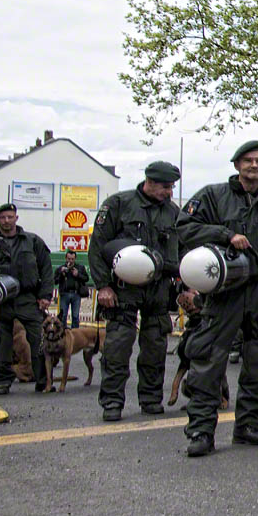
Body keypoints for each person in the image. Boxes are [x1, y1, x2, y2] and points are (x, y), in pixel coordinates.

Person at [176, 140, 258, 457]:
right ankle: (201, 431)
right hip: (225, 290)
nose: (254, 165)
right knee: (208, 360)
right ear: (237, 165)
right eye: (248, 160)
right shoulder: (213, 196)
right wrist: (224, 235)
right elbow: (185, 226)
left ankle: (247, 424)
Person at [88, 161, 183, 421]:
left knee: (155, 347)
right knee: (117, 348)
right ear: (149, 182)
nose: (169, 192)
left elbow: (181, 251)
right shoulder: (119, 204)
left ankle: (151, 400)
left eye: (171, 187)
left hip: (158, 289)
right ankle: (112, 403)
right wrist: (103, 286)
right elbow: (97, 248)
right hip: (123, 290)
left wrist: (184, 286)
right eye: (165, 187)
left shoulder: (173, 213)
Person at [0, 204, 52, 394]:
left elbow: (46, 268)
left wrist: (45, 295)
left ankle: (43, 380)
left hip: (27, 298)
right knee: (1, 342)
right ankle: (2, 381)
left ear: (16, 218)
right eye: (3, 218)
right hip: (0, 299)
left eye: (10, 217)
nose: (6, 221)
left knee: (38, 338)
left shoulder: (32, 241)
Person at [53, 250, 89, 329]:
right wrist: (61, 274)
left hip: (76, 294)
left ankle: (75, 333)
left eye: (72, 259)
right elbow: (55, 281)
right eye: (69, 259)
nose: (70, 261)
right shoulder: (61, 268)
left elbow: (86, 278)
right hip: (64, 294)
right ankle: (63, 332)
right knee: (63, 315)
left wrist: (78, 274)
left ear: (75, 258)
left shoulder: (80, 268)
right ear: (66, 258)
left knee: (75, 316)